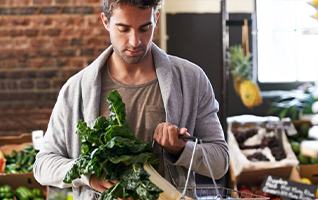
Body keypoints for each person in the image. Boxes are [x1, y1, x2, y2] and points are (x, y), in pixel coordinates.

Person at [33, 0, 229, 199]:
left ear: (156, 18)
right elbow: (43, 166)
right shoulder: (75, 90)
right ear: (106, 22)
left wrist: (181, 150)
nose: (135, 41)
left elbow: (220, 162)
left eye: (145, 28)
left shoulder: (191, 80)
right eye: (123, 29)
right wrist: (88, 174)